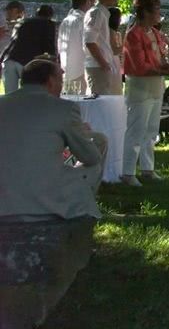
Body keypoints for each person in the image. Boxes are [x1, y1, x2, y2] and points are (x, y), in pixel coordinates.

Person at [0, 58, 106, 221]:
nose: (61, 87)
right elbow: (91, 157)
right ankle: (80, 211)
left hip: (5, 196)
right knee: (98, 149)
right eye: (61, 81)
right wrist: (80, 135)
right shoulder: (64, 108)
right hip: (43, 197)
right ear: (50, 81)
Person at [121, 0, 169, 186]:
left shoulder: (155, 33)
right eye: (157, 9)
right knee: (136, 129)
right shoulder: (133, 35)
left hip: (156, 83)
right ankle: (127, 172)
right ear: (145, 12)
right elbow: (138, 66)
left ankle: (147, 169)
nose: (159, 13)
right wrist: (164, 69)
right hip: (140, 85)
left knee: (151, 129)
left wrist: (167, 65)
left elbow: (159, 57)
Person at [1, 1, 57, 94]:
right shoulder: (48, 24)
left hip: (9, 59)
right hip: (26, 62)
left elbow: (13, 41)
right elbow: (49, 46)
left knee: (9, 96)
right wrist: (54, 64)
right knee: (29, 95)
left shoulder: (23, 22)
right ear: (50, 16)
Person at [83, 0, 122, 95]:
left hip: (103, 65)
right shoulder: (96, 13)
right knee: (99, 102)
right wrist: (103, 63)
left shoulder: (103, 13)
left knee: (106, 101)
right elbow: (89, 41)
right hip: (97, 66)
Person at [58, 0, 95, 95]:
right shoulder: (82, 21)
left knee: (69, 98)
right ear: (87, 1)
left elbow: (60, 45)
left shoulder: (66, 20)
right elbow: (87, 44)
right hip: (81, 68)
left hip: (67, 66)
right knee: (80, 101)